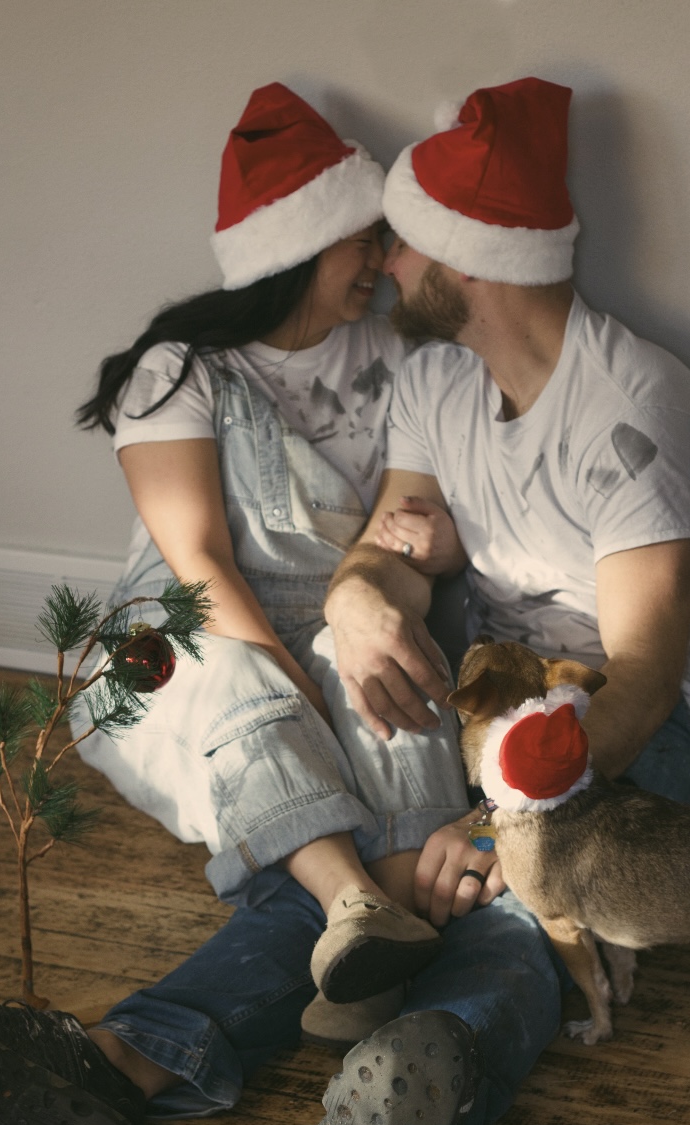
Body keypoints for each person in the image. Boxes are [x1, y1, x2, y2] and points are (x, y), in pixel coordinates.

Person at [0, 74, 690, 1125]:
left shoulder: (637, 411)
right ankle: (124, 1058)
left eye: (404, 241)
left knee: (522, 894)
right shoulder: (440, 384)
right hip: (496, 703)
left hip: (634, 734)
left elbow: (643, 678)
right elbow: (385, 551)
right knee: (372, 872)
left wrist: (496, 815)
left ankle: (417, 1081)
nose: (388, 264)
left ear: (468, 258)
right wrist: (361, 598)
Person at [67, 79, 476, 1014]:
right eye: (361, 239)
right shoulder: (179, 372)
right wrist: (307, 699)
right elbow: (200, 567)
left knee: (392, 673)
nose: (381, 261)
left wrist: (440, 549)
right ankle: (352, 903)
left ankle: (386, 944)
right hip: (188, 631)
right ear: (298, 245)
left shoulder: (402, 358)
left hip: (336, 610)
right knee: (231, 675)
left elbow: (421, 527)